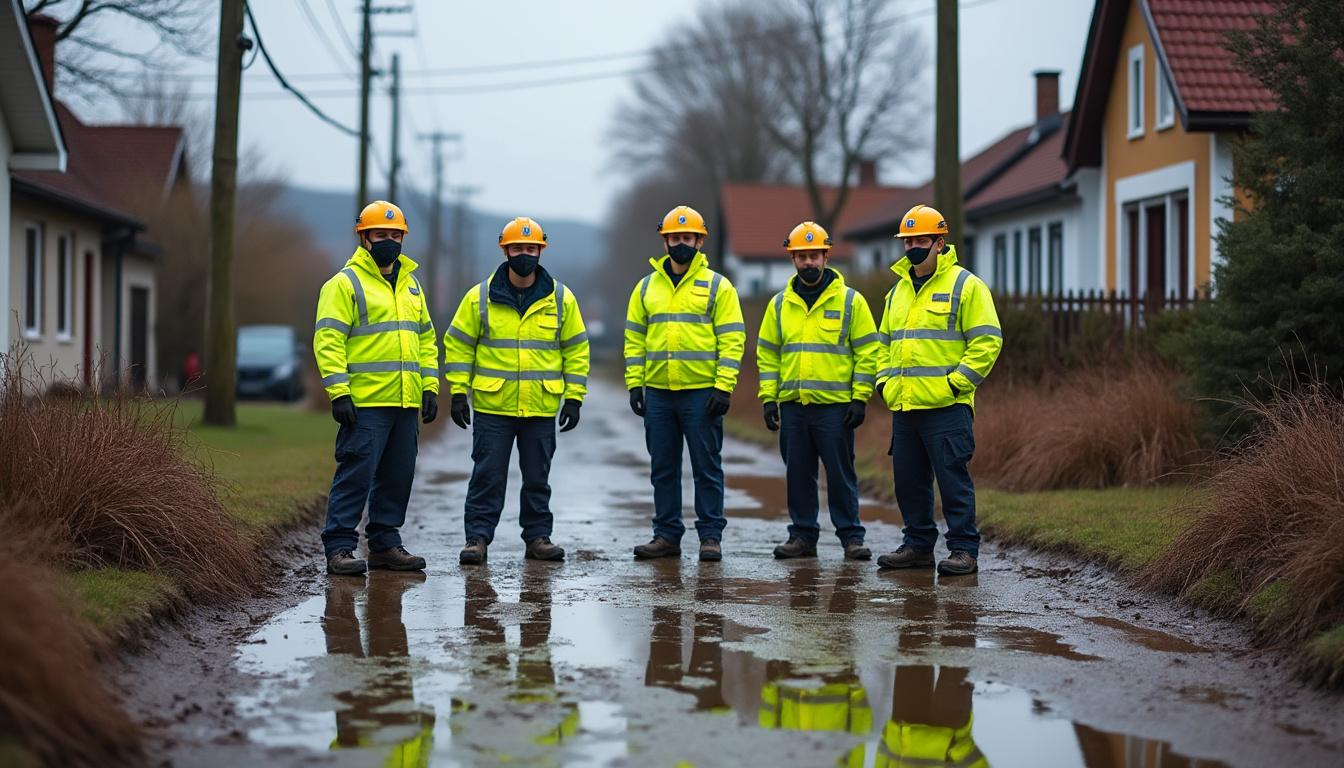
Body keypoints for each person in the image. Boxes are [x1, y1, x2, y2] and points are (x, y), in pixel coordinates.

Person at [443, 217, 589, 565]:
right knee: (487, 476)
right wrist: (459, 392)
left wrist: (574, 397)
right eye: (517, 248)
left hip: (540, 406)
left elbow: (576, 349)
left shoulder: (561, 299)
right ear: (505, 250)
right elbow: (460, 345)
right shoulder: (479, 297)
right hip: (494, 407)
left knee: (538, 477)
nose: (524, 254)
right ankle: (477, 539)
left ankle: (538, 538)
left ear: (540, 251)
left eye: (531, 248)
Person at [874, 205, 1002, 576]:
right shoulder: (897, 292)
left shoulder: (966, 286)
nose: (913, 246)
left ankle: (964, 550)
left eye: (921, 240)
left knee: (953, 481)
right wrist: (883, 381)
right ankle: (917, 546)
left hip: (947, 406)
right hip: (905, 405)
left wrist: (956, 383)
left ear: (940, 242)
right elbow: (883, 344)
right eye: (908, 240)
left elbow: (988, 342)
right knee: (908, 483)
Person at [313, 200, 438, 576]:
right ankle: (339, 548)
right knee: (355, 475)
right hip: (364, 403)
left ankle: (385, 544)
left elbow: (427, 339)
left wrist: (429, 387)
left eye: (395, 235)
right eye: (381, 234)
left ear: (403, 238)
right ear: (364, 237)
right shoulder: (343, 284)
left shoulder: (412, 286)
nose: (389, 240)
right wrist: (339, 392)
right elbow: (328, 341)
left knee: (398, 476)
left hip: (404, 401)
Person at [624, 205, 745, 562]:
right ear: (665, 242)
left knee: (706, 467)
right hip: (659, 394)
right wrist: (635, 385)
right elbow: (634, 339)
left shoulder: (718, 287)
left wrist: (724, 387)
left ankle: (710, 536)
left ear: (699, 241)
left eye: (687, 238)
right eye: (674, 238)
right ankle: (666, 536)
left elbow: (732, 339)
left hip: (701, 395)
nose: (681, 244)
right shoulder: (646, 288)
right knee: (663, 467)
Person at [756, 221, 881, 561]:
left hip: (836, 408)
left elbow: (868, 352)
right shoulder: (779, 305)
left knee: (841, 475)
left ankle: (851, 538)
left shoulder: (851, 302)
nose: (808, 263)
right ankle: (802, 537)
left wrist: (860, 397)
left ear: (826, 256)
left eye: (814, 256)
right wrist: (769, 397)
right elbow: (767, 353)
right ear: (792, 259)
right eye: (802, 257)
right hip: (794, 406)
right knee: (798, 474)